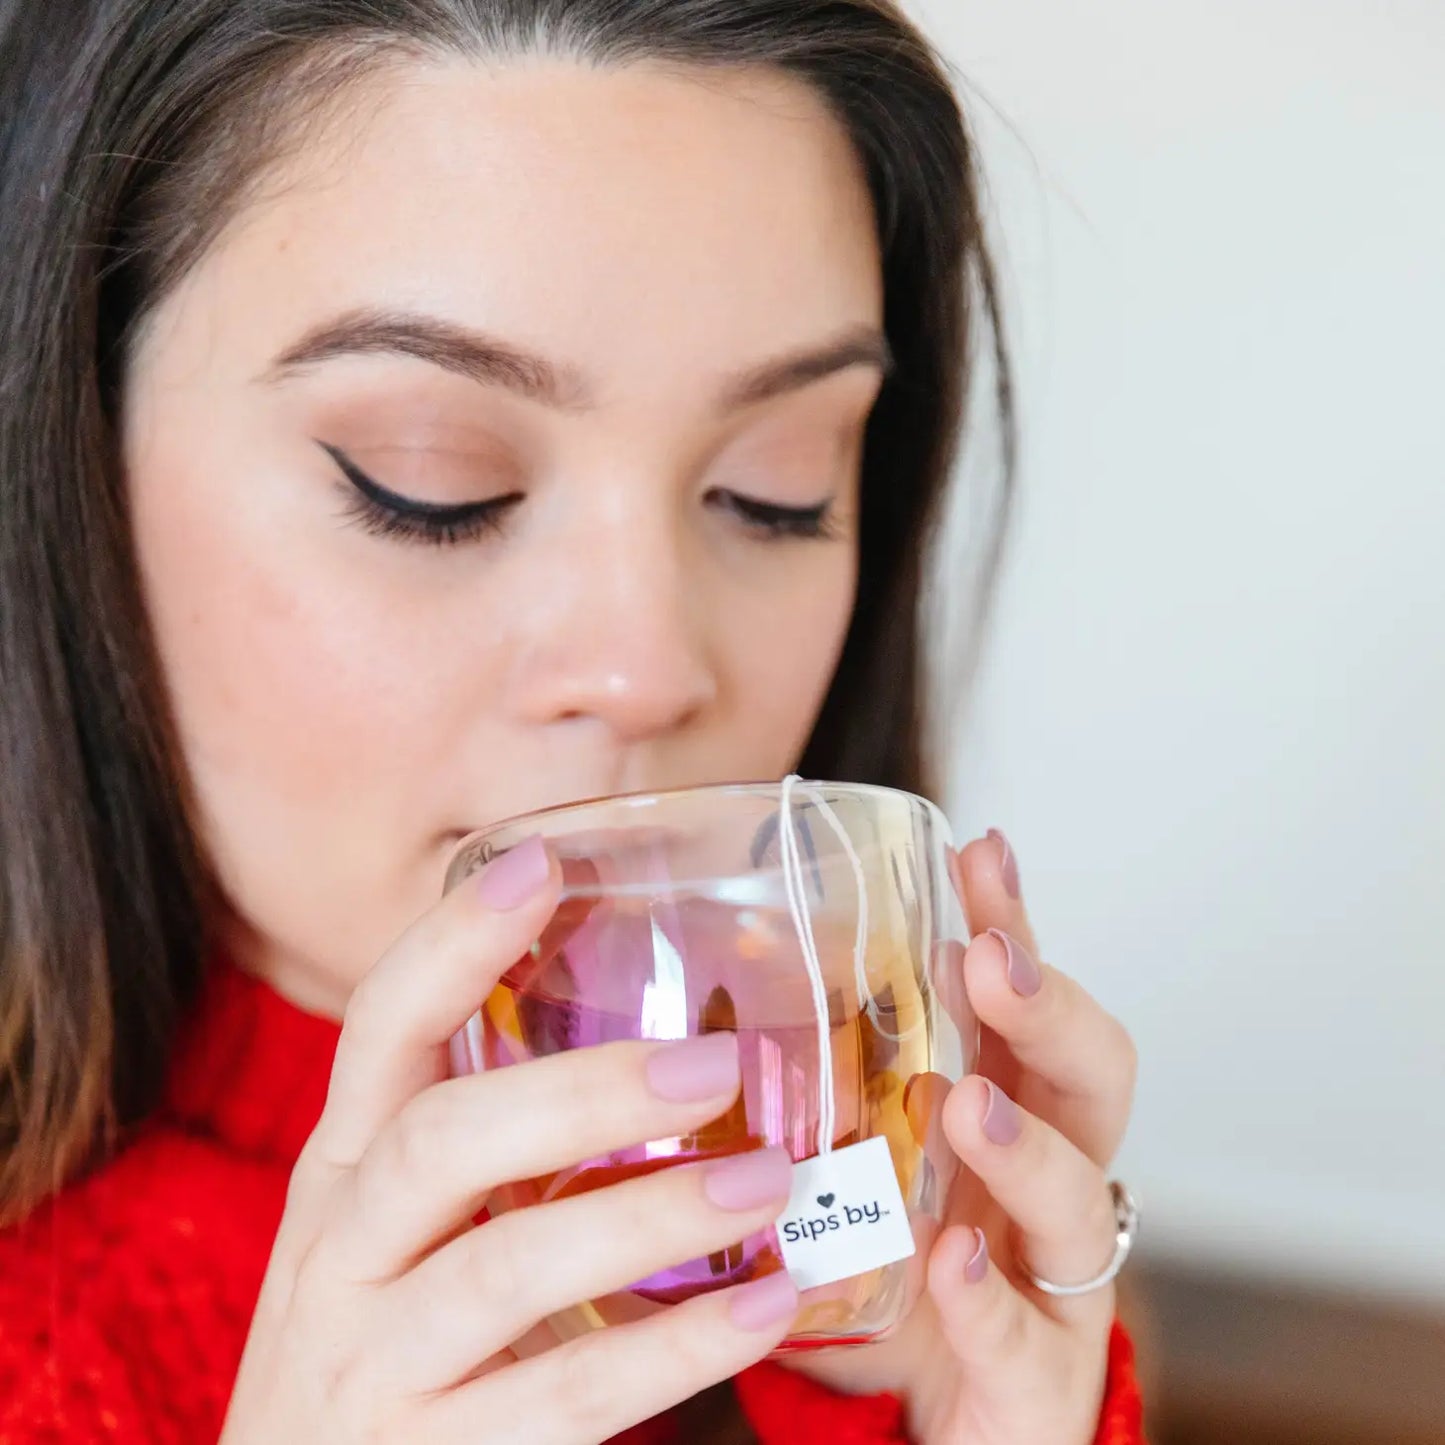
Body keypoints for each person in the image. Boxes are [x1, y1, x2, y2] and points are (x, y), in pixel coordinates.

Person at [0, 2, 1144, 1441]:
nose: (647, 663)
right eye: (432, 484)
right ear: (63, 468)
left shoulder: (879, 1285)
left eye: (773, 489)